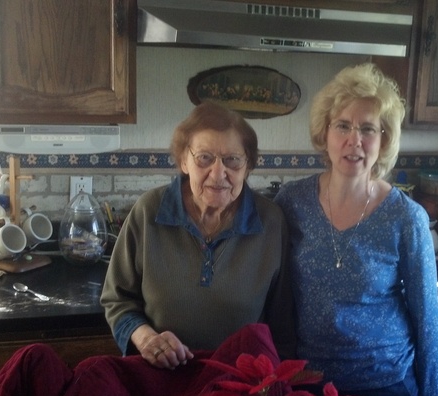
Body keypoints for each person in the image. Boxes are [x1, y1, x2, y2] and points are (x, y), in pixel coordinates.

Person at [274, 63, 438, 396]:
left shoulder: (406, 217)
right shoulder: (291, 202)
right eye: (343, 126)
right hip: (307, 385)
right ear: (324, 133)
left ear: (384, 140)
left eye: (368, 129)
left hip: (384, 389)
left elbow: (427, 315)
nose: (355, 140)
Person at [101, 101, 296, 368]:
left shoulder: (270, 222)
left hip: (238, 380)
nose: (218, 173)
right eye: (204, 158)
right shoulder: (149, 212)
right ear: (184, 160)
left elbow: (282, 325)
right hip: (161, 375)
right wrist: (147, 339)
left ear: (248, 165)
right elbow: (117, 300)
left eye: (232, 160)